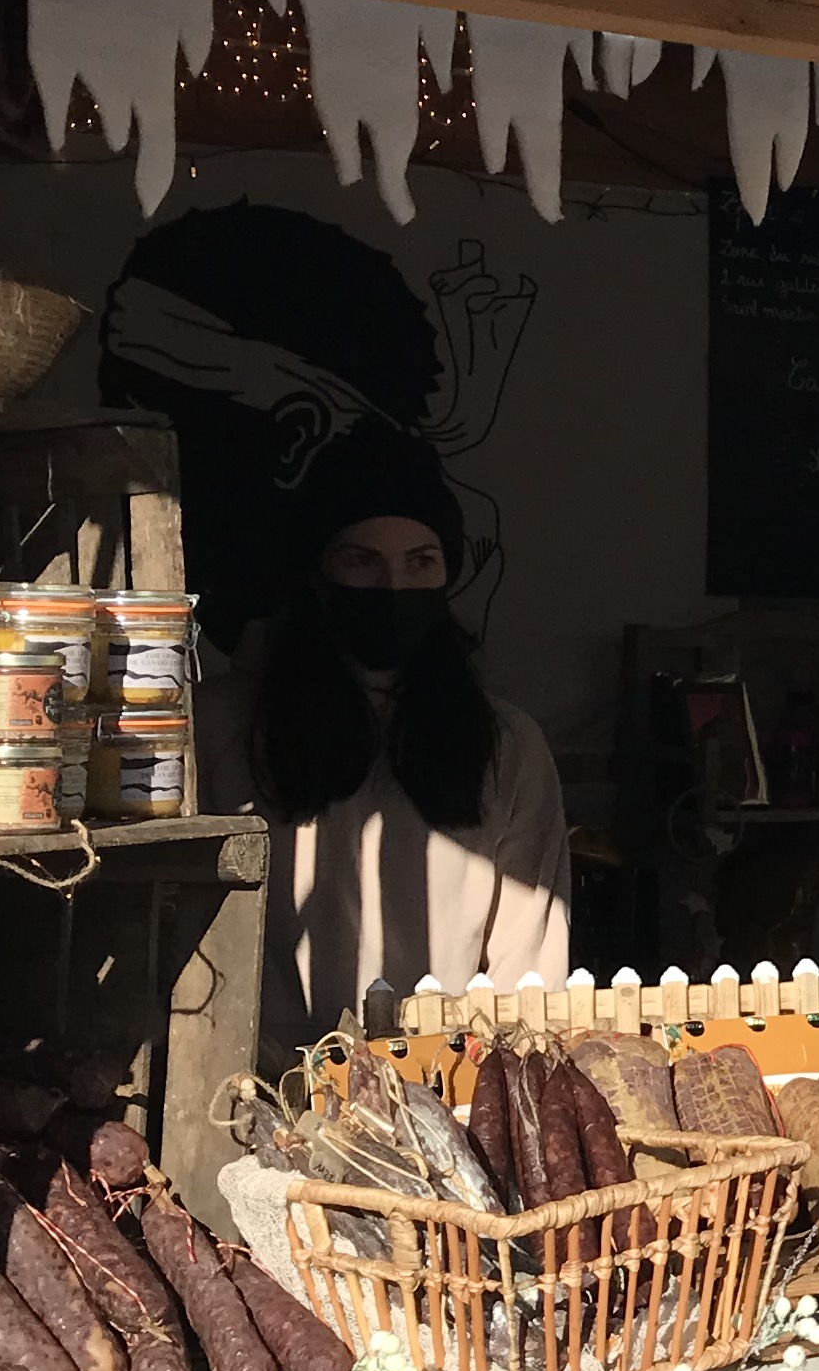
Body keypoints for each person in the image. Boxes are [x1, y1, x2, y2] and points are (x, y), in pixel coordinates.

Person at [200, 425, 569, 1045]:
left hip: (442, 1088)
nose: (391, 587)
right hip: (254, 1091)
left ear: (448, 573)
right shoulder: (220, 728)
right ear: (317, 571)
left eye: (419, 561)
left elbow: (529, 968)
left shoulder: (505, 747)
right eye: (361, 560)